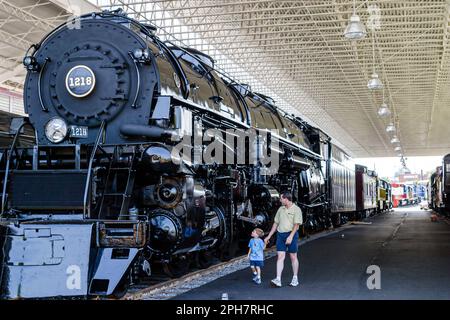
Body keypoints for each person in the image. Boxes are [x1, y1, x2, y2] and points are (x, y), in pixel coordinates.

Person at [264, 191, 303, 287]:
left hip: (291, 235)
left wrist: (290, 237)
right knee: (280, 256)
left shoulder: (296, 209)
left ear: (286, 199)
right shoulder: (280, 209)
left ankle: (295, 278)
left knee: (293, 256)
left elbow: (296, 225)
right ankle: (278, 279)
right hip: (281, 235)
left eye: (281, 198)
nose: (280, 200)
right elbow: (275, 223)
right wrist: (269, 236)